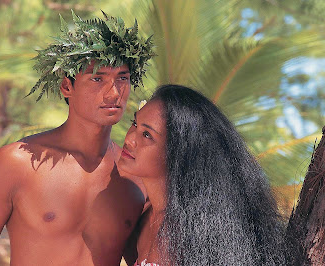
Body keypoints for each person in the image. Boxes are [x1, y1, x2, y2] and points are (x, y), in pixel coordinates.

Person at [0, 11, 154, 265]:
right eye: (97, 78)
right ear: (67, 87)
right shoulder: (16, 164)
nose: (114, 93)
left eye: (122, 78)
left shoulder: (134, 177)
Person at [119, 84, 286, 266]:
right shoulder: (142, 217)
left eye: (146, 134)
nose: (129, 139)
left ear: (178, 153)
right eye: (134, 123)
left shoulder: (196, 229)